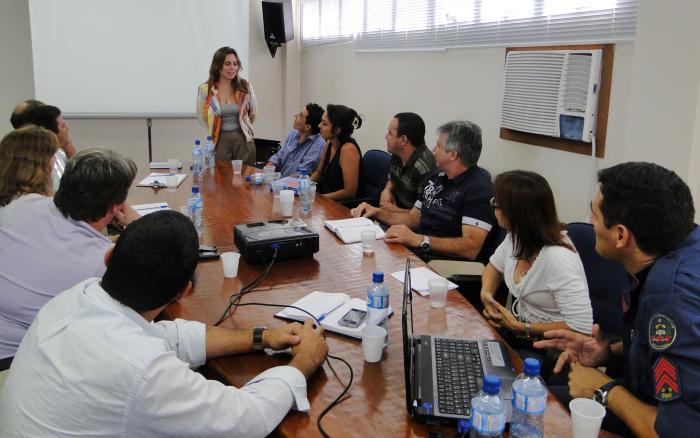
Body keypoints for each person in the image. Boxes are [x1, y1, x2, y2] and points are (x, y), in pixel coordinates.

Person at [0, 210, 328, 436]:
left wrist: (261, 337)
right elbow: (248, 419)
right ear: (183, 292)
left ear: (109, 257)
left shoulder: (77, 297)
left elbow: (166, 335)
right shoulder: (143, 371)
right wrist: (304, 361)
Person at [535, 162, 700, 437]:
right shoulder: (676, 244)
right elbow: (662, 348)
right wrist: (608, 352)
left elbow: (676, 431)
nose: (590, 222)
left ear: (621, 235)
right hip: (650, 397)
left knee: (539, 413)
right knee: (548, 398)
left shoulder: (672, 298)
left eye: (595, 214)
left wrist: (603, 389)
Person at [0, 148, 139, 363]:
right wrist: (136, 228)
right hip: (16, 361)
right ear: (115, 207)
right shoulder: (100, 263)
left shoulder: (23, 204)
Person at [480, 170, 592, 357]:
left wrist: (522, 327)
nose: (493, 207)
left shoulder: (558, 258)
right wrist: (487, 294)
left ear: (514, 213)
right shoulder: (515, 237)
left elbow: (581, 327)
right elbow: (494, 267)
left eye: (496, 203)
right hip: (522, 335)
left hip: (553, 350)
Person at [352, 121, 497, 262]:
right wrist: (376, 212)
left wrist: (419, 240)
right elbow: (413, 219)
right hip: (417, 253)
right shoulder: (437, 177)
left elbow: (470, 248)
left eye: (438, 146)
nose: (433, 150)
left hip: (443, 264)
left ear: (453, 154)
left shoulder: (479, 188)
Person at [197, 46, 258, 164]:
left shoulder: (245, 86)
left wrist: (244, 126)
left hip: (243, 139)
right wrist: (214, 127)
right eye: (228, 64)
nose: (233, 68)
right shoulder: (205, 89)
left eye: (235, 64)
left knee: (245, 179)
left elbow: (253, 112)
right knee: (221, 179)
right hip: (219, 140)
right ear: (218, 66)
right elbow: (202, 117)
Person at [0, 126, 59, 226]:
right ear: (40, 161)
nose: (55, 159)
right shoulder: (45, 209)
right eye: (52, 155)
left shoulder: (9, 203)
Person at [379, 112, 437, 212]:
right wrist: (387, 190)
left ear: (403, 140)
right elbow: (392, 180)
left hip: (411, 225)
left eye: (390, 133)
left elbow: (425, 214)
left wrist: (395, 210)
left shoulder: (424, 169)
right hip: (395, 215)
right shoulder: (397, 153)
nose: (386, 137)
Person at [310, 104, 364, 201]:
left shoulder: (348, 149)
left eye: (324, 124)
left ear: (337, 130)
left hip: (343, 207)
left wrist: (319, 198)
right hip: (326, 202)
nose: (319, 126)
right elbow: (318, 173)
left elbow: (350, 192)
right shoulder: (329, 143)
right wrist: (302, 187)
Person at [21, 104, 76, 190]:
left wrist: (69, 149)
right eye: (63, 126)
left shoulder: (60, 152)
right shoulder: (42, 164)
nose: (67, 129)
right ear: (50, 133)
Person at [265, 103, 325, 177]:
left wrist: (278, 184)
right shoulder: (294, 133)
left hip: (295, 186)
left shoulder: (318, 145)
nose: (295, 116)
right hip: (280, 181)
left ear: (307, 127)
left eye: (300, 116)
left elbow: (301, 174)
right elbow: (278, 156)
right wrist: (266, 172)